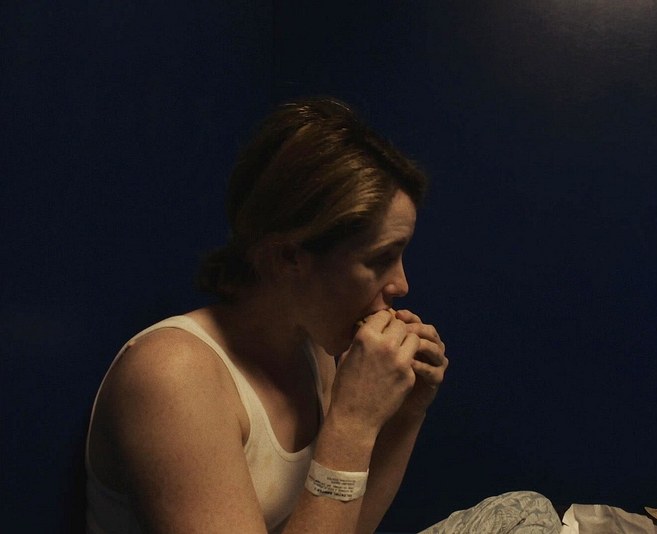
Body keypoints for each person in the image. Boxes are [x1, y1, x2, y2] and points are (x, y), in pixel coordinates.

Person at [85, 98, 560, 534]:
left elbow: (347, 525)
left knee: (527, 512)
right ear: (288, 257)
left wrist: (407, 414)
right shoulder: (174, 375)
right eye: (380, 259)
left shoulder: (312, 346)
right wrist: (353, 423)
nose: (401, 284)